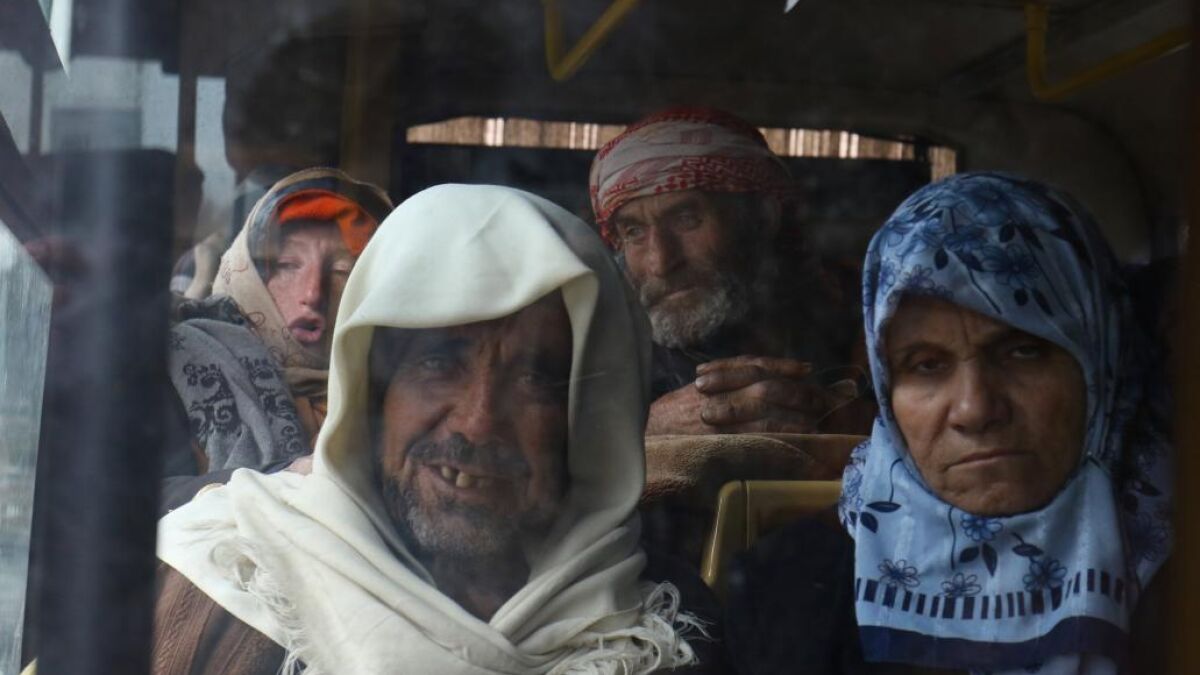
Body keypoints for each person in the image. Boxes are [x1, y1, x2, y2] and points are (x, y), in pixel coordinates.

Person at [151, 184, 726, 674]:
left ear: (589, 418)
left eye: (534, 379)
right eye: (437, 363)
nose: (479, 422)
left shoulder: (655, 635)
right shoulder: (226, 584)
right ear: (371, 386)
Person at [725, 173, 1172, 674]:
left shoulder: (1176, 572)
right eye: (926, 365)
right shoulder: (793, 587)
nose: (974, 409)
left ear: (1101, 359)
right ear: (886, 391)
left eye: (1023, 351)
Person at [588, 106, 869, 436]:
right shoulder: (601, 345)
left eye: (686, 219)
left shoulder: (863, 311)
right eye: (634, 232)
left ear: (761, 217)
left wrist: (833, 420)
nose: (661, 262)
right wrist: (649, 430)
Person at [166, 167, 392, 475]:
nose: (313, 293)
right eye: (287, 265)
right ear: (247, 275)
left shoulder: (396, 402)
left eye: (342, 271)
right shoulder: (180, 366)